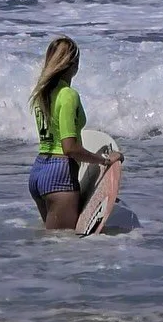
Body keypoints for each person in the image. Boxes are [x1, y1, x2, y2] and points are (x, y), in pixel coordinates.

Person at [28, 35, 123, 230]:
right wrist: (104, 160)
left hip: (39, 172)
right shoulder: (68, 95)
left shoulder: (41, 94)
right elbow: (69, 148)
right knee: (65, 249)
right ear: (74, 64)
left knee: (51, 246)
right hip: (60, 175)